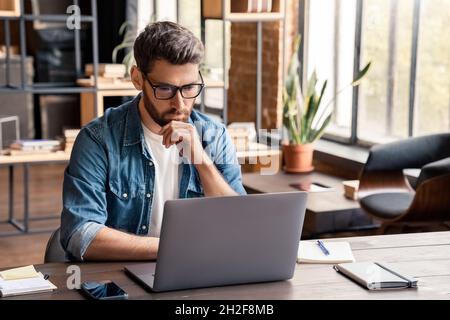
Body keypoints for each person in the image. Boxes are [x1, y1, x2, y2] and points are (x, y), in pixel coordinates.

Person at [60, 21, 246, 261]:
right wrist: (173, 248)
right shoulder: (97, 140)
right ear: (137, 79)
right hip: (119, 281)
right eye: (165, 89)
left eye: (189, 87)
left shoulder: (214, 136)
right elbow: (80, 235)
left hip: (199, 272)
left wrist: (201, 161)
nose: (180, 103)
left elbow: (239, 224)